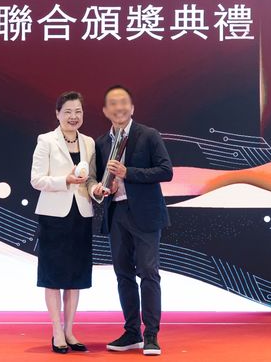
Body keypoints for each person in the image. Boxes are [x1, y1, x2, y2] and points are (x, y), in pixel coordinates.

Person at [92, 85, 173, 357]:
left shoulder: (148, 135)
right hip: (116, 213)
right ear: (105, 111)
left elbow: (166, 171)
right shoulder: (101, 143)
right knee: (123, 274)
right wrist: (106, 188)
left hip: (146, 214)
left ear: (132, 107)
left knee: (148, 272)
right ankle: (131, 332)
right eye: (113, 103)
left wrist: (129, 173)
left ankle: (151, 335)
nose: (119, 108)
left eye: (124, 102)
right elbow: (100, 179)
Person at [30, 91, 99, 354]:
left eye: (78, 111)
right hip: (53, 217)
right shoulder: (46, 140)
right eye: (68, 111)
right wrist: (65, 181)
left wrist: (96, 190)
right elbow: (36, 180)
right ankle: (57, 331)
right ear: (57, 114)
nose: (73, 116)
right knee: (53, 276)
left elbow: (90, 178)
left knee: (75, 277)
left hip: (81, 215)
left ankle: (70, 331)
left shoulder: (89, 142)